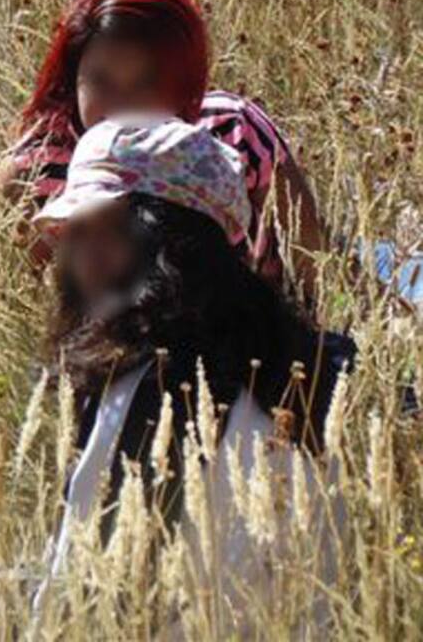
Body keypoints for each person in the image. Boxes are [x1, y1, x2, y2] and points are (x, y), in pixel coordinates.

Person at [30, 116, 351, 631]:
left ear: (175, 241)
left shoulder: (153, 389)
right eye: (76, 230)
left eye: (111, 228)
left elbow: (88, 604)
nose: (80, 257)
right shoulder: (299, 371)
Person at [0, 0, 327, 303]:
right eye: (101, 80)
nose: (121, 103)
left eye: (147, 82)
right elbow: (18, 300)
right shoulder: (37, 168)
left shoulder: (231, 131)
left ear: (184, 84)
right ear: (73, 78)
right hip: (105, 345)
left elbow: (315, 264)